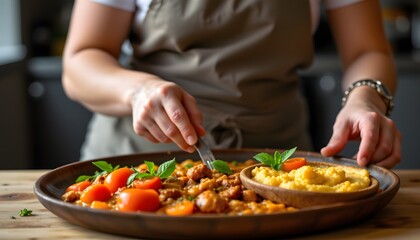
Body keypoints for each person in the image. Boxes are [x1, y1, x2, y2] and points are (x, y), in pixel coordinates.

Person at [62, 0, 401, 168]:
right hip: (140, 164)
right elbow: (80, 61)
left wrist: (365, 100)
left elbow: (367, 51)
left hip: (276, 162)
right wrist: (137, 91)